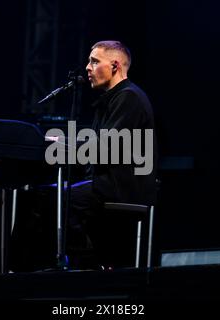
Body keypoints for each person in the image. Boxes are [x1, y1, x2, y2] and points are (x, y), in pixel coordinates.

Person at [66, 40, 158, 269]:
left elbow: (106, 148)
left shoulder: (129, 97)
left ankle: (83, 265)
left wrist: (66, 145)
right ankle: (85, 263)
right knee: (56, 195)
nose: (87, 67)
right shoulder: (111, 100)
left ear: (115, 66)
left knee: (58, 200)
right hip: (108, 184)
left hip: (122, 187)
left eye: (94, 61)